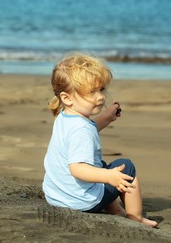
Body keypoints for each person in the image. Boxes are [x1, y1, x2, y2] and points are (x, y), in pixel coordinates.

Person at [42, 54, 158, 228]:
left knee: (100, 164)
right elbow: (77, 169)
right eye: (92, 92)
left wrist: (107, 117)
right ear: (67, 98)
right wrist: (108, 176)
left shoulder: (65, 116)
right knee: (125, 167)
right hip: (80, 202)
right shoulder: (81, 129)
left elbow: (88, 129)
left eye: (101, 89)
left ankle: (115, 210)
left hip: (56, 195)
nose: (101, 97)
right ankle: (136, 218)